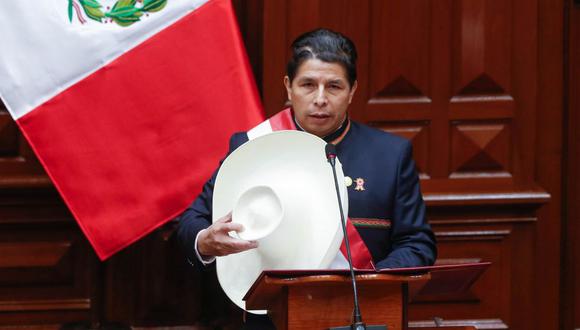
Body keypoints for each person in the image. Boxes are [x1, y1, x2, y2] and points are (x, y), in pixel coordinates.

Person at [177, 28, 437, 329]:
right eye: (308, 85)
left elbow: (417, 243)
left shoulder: (390, 155)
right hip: (274, 319)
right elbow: (191, 224)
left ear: (353, 90)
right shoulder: (252, 147)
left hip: (361, 317)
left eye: (334, 87)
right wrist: (206, 242)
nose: (320, 99)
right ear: (289, 87)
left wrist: (370, 283)